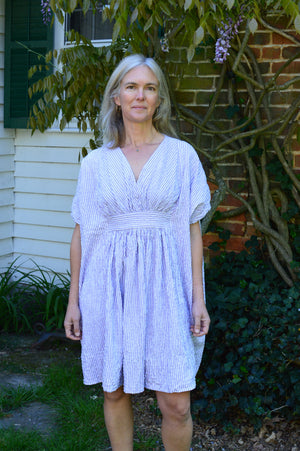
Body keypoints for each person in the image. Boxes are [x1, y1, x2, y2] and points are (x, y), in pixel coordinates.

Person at [64, 54, 211, 451]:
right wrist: (73, 301)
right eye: (131, 86)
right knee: (113, 391)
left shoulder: (182, 157)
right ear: (116, 96)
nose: (140, 96)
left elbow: (192, 230)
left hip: (166, 287)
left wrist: (198, 298)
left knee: (176, 402)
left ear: (159, 98)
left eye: (149, 87)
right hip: (110, 286)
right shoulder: (96, 163)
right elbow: (84, 233)